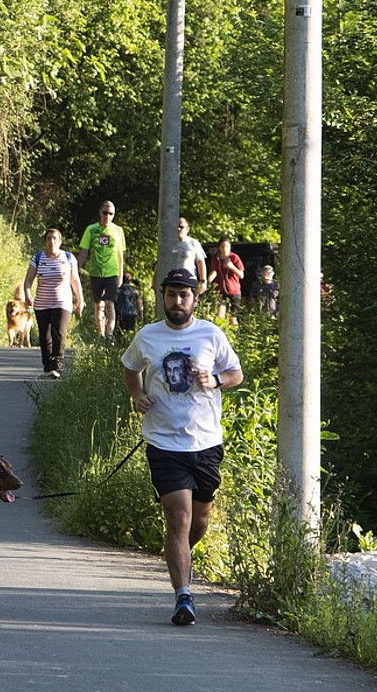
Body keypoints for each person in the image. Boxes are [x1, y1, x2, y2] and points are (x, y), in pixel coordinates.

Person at [121, 268, 243, 626]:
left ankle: (179, 557)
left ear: (195, 299)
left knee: (200, 519)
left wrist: (217, 379)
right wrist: (137, 395)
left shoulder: (211, 334)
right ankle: (183, 597)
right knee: (179, 515)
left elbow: (236, 373)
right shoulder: (148, 336)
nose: (177, 301)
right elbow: (130, 367)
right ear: (163, 297)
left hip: (206, 442)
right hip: (163, 442)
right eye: (171, 295)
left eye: (184, 295)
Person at [22, 228, 83, 379]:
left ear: (60, 241)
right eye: (48, 238)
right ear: (45, 242)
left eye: (55, 238)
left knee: (59, 333)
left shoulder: (68, 258)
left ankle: (57, 365)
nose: (51, 241)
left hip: (62, 302)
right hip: (42, 303)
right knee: (45, 336)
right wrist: (28, 294)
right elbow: (28, 280)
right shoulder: (37, 258)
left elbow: (75, 280)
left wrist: (79, 300)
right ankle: (47, 367)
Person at [78, 201, 126, 337]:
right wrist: (75, 269)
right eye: (105, 213)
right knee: (98, 304)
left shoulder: (118, 231)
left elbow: (120, 255)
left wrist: (120, 275)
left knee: (110, 303)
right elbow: (84, 251)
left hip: (112, 272)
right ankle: (101, 334)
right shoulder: (91, 229)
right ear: (100, 213)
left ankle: (109, 335)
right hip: (96, 272)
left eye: (111, 213)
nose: (107, 216)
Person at [206, 238, 245, 322]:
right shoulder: (216, 258)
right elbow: (214, 271)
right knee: (219, 315)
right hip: (221, 290)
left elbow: (241, 275)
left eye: (227, 246)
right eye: (223, 247)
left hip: (234, 291)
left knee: (233, 318)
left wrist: (232, 267)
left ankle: (235, 333)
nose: (225, 249)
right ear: (219, 248)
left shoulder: (234, 257)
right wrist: (208, 281)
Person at [175, 218, 208, 296]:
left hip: (188, 281)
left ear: (187, 229)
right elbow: (160, 262)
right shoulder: (168, 244)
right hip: (171, 281)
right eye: (176, 226)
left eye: (181, 227)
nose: (178, 229)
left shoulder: (193, 243)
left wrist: (203, 281)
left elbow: (200, 262)